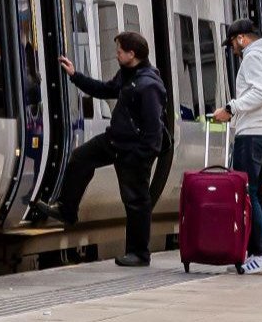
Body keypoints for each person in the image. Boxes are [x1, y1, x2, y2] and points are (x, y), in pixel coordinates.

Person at [27, 31, 166, 267]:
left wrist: (143, 155)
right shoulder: (129, 75)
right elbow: (105, 90)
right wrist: (75, 76)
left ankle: (139, 253)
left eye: (120, 51)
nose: (117, 54)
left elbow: (154, 126)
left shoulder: (148, 84)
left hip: (133, 149)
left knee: (136, 200)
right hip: (115, 140)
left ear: (132, 54)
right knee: (80, 158)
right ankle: (67, 209)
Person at [212, 19, 262, 274]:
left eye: (234, 43)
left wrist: (230, 109)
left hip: (253, 132)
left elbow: (261, 92)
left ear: (242, 38)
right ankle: (257, 252)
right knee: (255, 194)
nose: (233, 48)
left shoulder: (253, 57)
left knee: (246, 193)